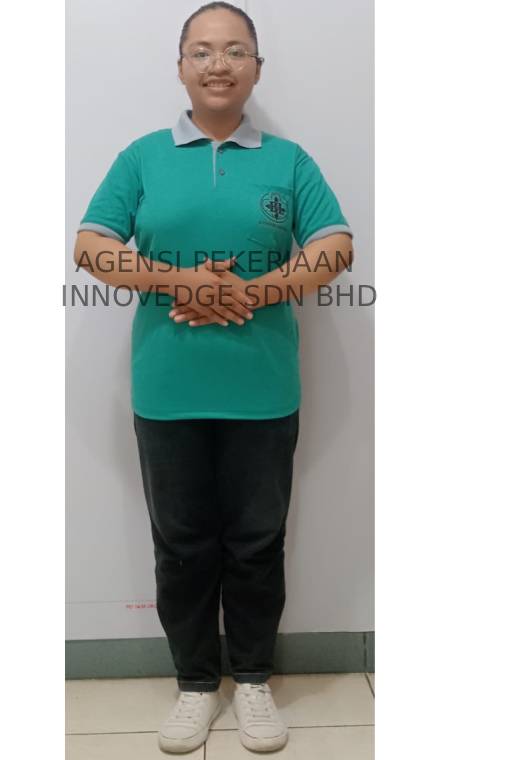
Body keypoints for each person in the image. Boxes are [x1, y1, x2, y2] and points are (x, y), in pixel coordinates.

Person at [73, 1, 354, 753]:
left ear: (257, 67)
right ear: (180, 68)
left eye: (235, 50)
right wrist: (178, 282)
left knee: (258, 542)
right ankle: (196, 685)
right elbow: (91, 245)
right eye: (201, 51)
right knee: (182, 544)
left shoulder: (290, 162)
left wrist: (252, 292)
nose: (218, 64)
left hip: (263, 392)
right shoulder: (142, 158)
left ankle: (253, 680)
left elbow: (335, 247)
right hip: (168, 393)